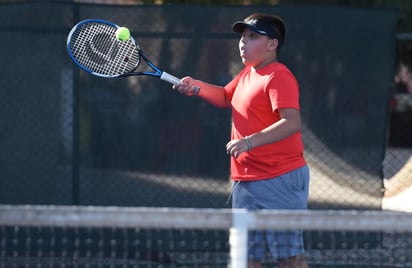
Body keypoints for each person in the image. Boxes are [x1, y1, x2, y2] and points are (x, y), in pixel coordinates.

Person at [173, 13, 310, 268]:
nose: (243, 43)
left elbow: (292, 122)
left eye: (253, 36)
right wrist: (197, 86)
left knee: (289, 257)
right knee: (245, 257)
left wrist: (249, 142)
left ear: (273, 44)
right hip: (245, 181)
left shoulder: (278, 76)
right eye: (243, 37)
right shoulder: (248, 73)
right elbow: (226, 96)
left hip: (279, 177)